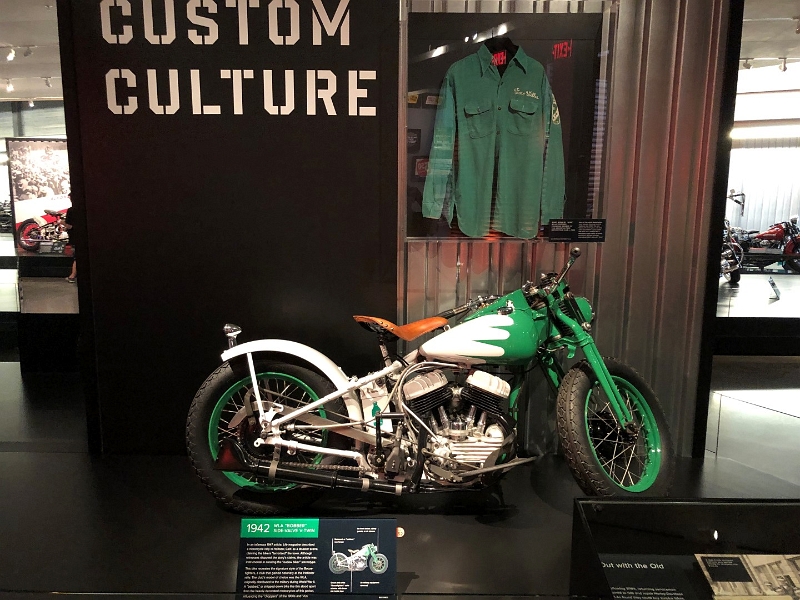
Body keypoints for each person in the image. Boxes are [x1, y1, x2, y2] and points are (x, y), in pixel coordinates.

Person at [61, 204, 76, 283]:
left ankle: (72, 276)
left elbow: (70, 226)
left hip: (75, 237)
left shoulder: (71, 210)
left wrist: (62, 223)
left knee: (76, 257)